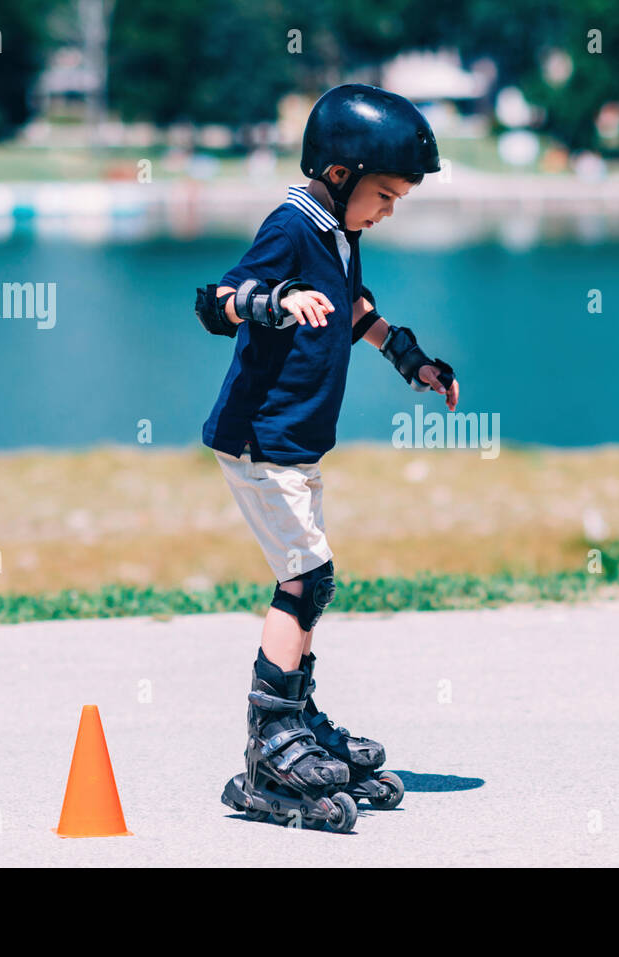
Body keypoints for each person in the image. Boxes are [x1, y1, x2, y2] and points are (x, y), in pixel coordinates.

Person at [194, 83, 459, 832]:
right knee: (307, 578)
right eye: (384, 194)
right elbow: (217, 301)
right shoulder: (292, 226)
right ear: (339, 175)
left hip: (296, 446)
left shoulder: (339, 236)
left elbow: (357, 311)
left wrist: (412, 361)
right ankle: (272, 739)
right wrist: (276, 302)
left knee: (309, 577)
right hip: (259, 439)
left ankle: (296, 721)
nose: (388, 210)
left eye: (399, 199)